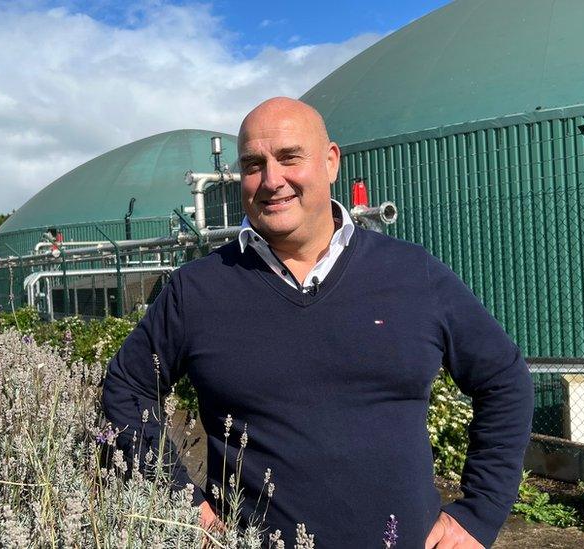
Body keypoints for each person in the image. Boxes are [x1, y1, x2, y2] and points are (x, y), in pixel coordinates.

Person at [101, 97, 534, 548]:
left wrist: (477, 513)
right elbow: (126, 389)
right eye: (253, 165)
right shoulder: (199, 290)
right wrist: (179, 504)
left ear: (330, 162)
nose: (271, 180)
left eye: (289, 157)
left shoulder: (411, 274)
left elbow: (503, 380)